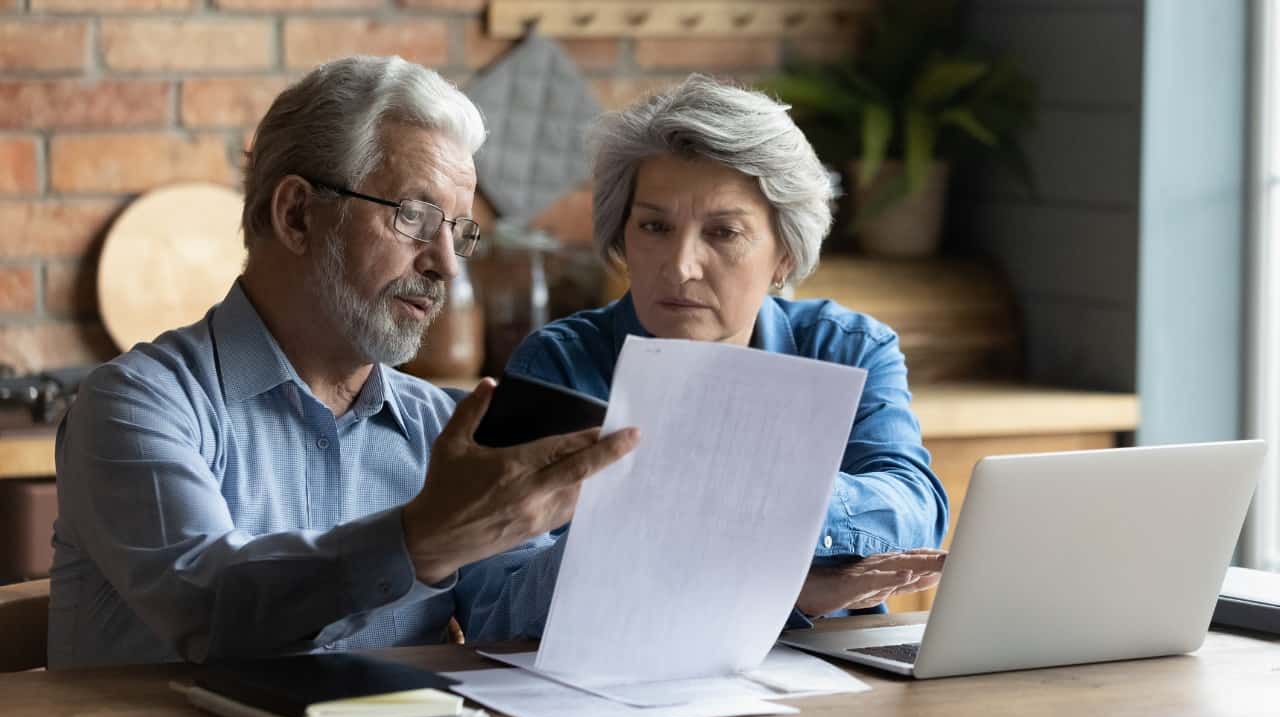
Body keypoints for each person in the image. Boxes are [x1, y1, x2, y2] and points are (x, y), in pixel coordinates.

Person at [47, 55, 638, 669]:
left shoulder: (446, 424)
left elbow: (507, 617)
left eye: (458, 231)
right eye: (414, 217)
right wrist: (418, 541)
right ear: (298, 214)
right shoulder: (136, 405)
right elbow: (210, 611)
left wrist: (626, 531)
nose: (447, 264)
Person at [454, 75, 948, 639]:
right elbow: (496, 603)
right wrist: (774, 577)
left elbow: (913, 509)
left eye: (723, 232)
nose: (681, 264)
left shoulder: (848, 347)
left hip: (820, 668)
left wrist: (750, 494)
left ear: (784, 256)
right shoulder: (560, 364)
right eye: (655, 227)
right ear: (623, 238)